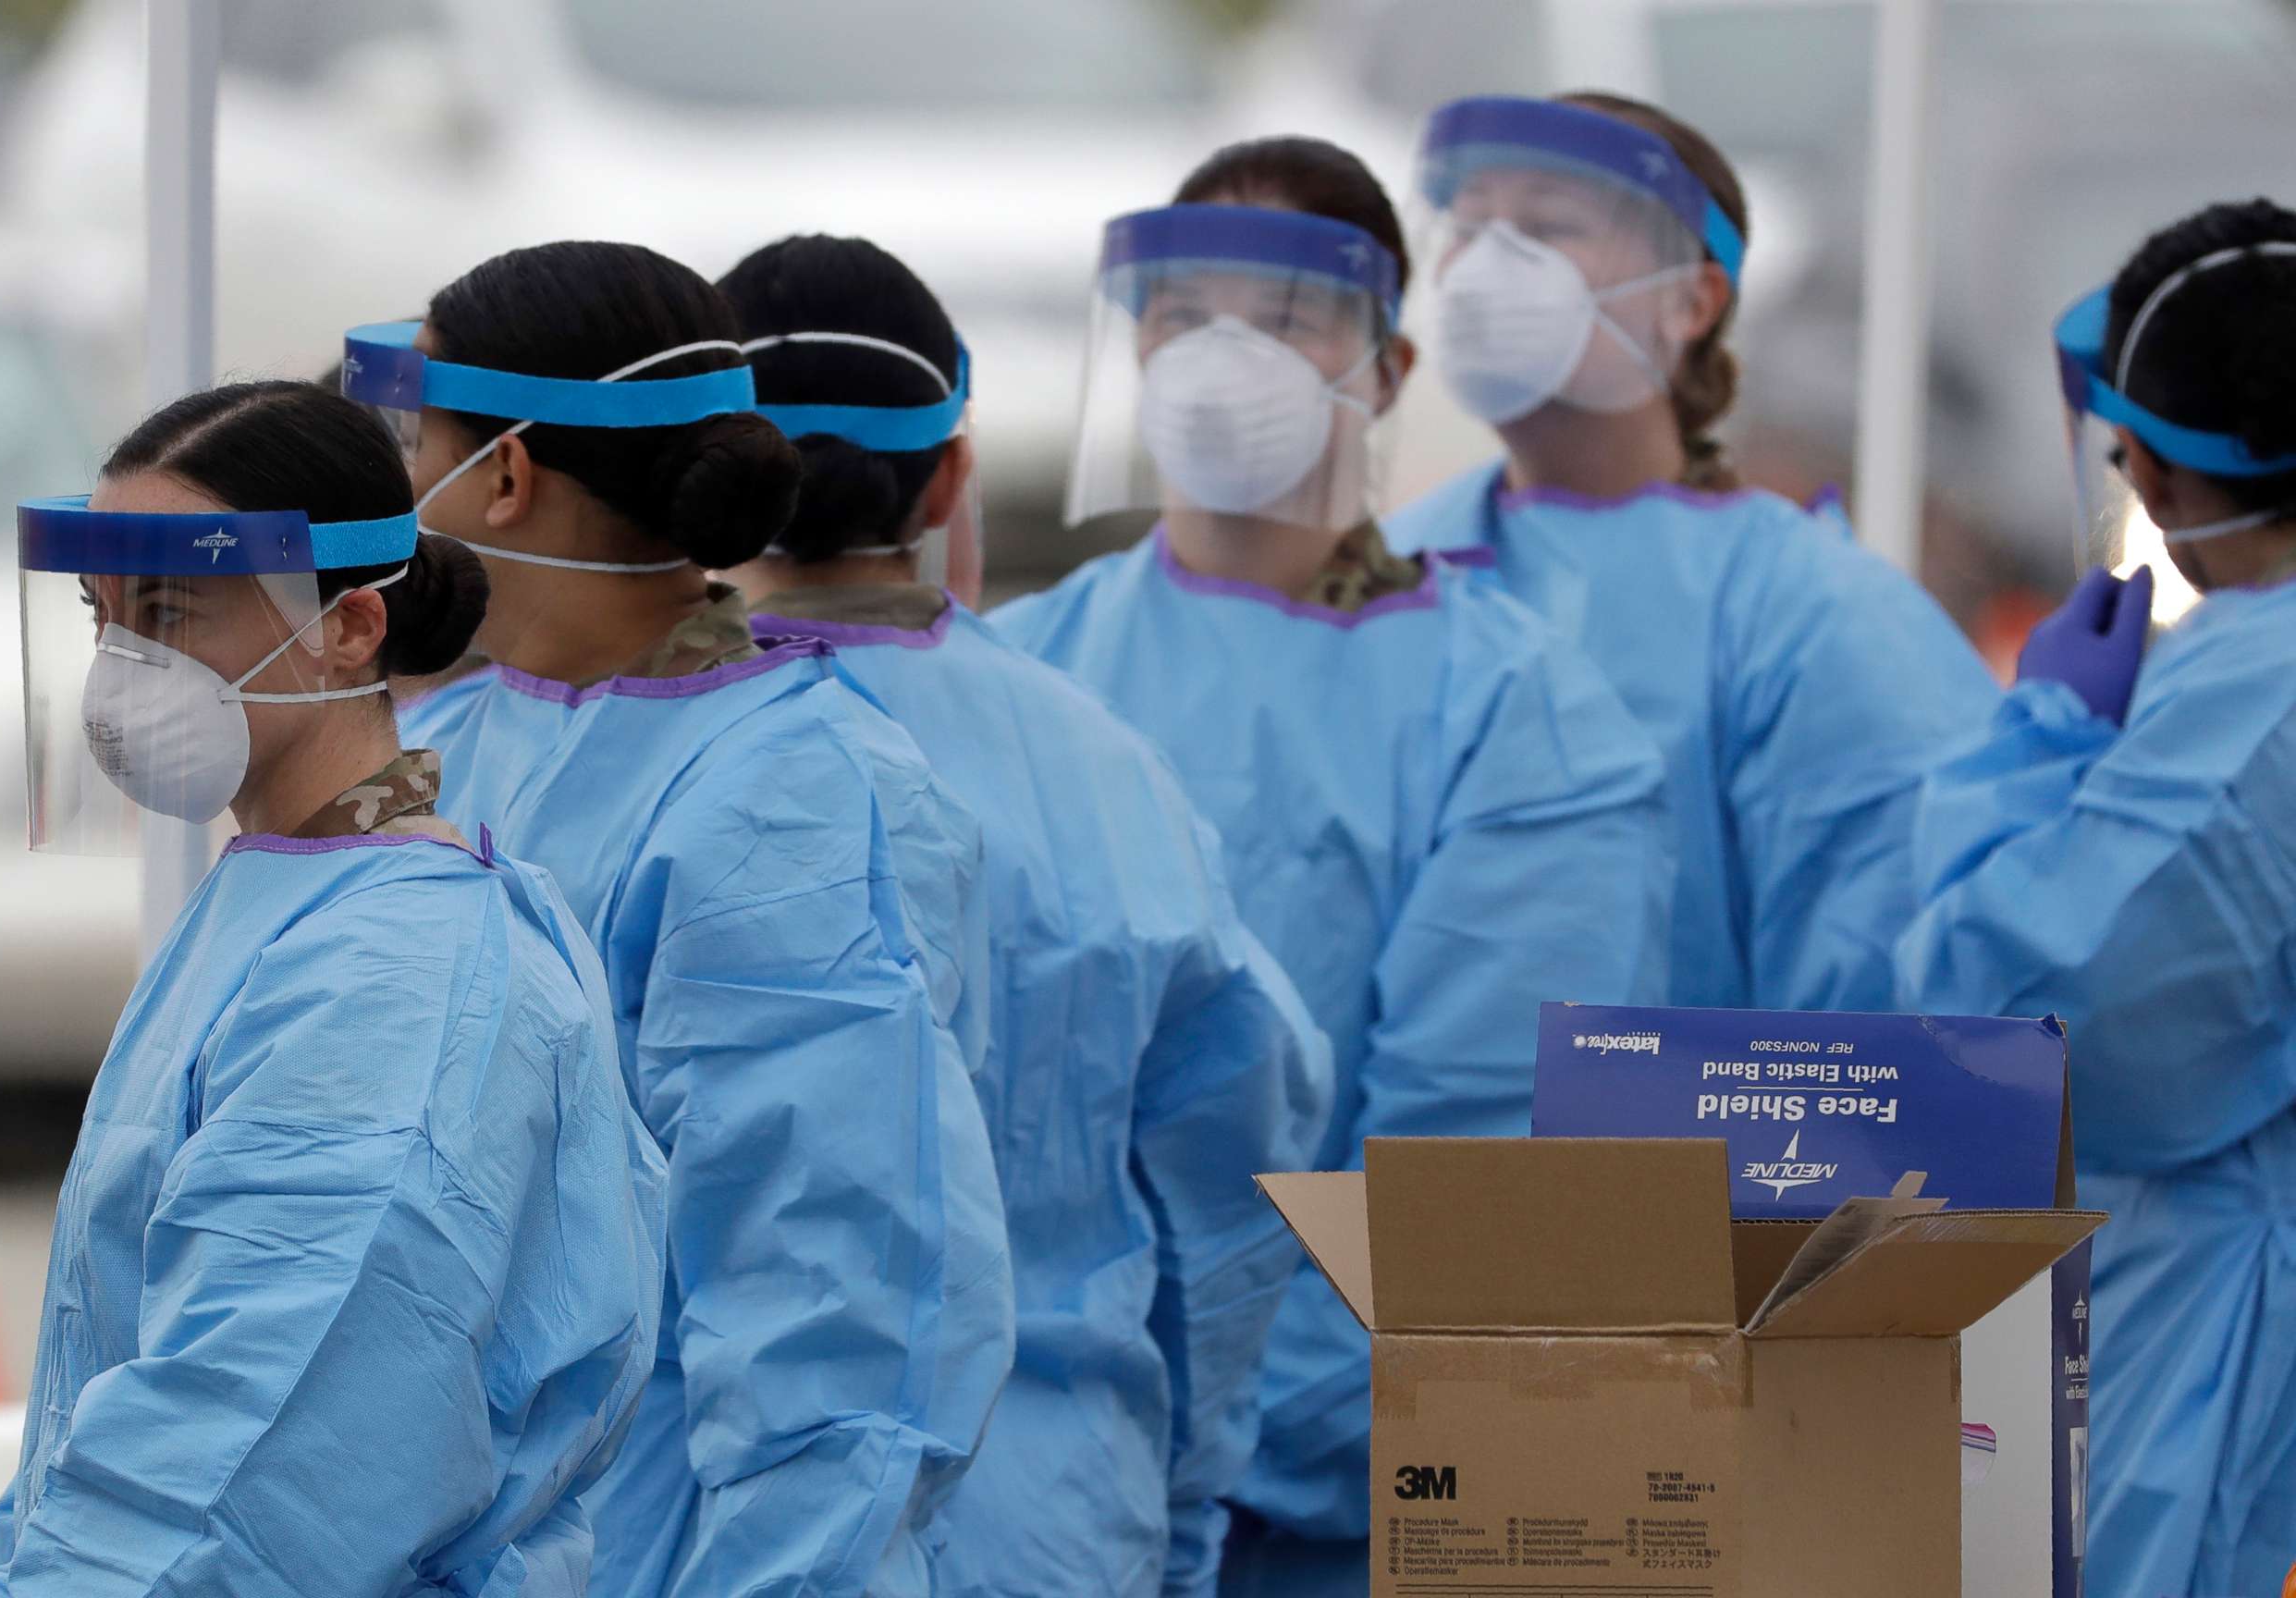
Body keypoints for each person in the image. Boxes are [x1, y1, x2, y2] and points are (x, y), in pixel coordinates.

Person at [988, 139, 1675, 1596]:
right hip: (1038, 1492)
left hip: (1347, 1510)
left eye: (1287, 318)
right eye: (1184, 318)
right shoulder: (1026, 671)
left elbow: (1477, 1177)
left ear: (1387, 364)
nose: (1223, 359)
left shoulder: (1521, 720)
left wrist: (1197, 1443)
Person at [345, 241, 1013, 1598]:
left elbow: (832, 1323)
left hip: (656, 1553)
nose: (396, 488)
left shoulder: (787, 799)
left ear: (507, 477)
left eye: (419, 445)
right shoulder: (472, 734)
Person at [718, 231, 1336, 1598]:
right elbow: (1235, 1172)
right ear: (951, 472)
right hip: (1052, 1520)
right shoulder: (1101, 768)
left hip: (695, 1534)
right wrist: (1175, 1512)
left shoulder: (589, 771)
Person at [0, 381, 665, 1596]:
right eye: (103, 619)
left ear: (349, 628)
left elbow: (245, 1462)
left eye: (171, 614)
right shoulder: (286, 899)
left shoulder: (396, 978)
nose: (118, 672)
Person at [1382, 92, 1997, 1012]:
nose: (1485, 269)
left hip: (1699, 1155)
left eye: (1549, 227)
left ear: (1693, 299)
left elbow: (1878, 1037)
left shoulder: (1815, 619)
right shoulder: (1385, 579)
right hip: (1388, 1155)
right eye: (1468, 228)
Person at [1895, 199, 2296, 1598]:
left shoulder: (2254, 698)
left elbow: (2020, 1031)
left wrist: (2040, 742)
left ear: (2165, 478)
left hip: (2223, 1339)